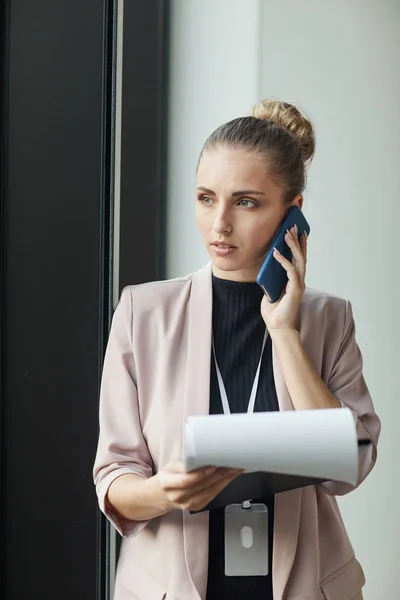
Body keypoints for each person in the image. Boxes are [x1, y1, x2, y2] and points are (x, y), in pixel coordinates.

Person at [93, 99, 380, 600]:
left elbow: (349, 467)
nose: (219, 223)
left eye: (246, 202)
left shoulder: (329, 319)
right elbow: (114, 475)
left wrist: (285, 332)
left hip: (302, 587)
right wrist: (164, 492)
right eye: (206, 198)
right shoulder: (142, 313)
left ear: (294, 212)